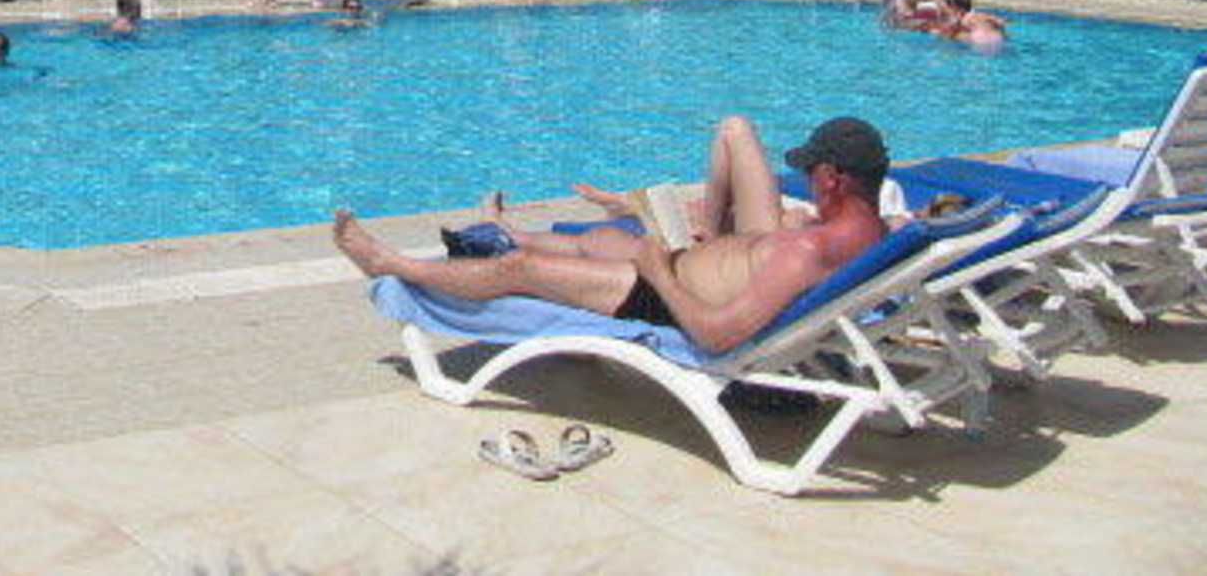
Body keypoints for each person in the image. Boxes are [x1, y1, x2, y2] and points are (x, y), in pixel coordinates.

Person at [332, 116, 892, 354]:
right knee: (603, 240)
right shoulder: (875, 230)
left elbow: (717, 337)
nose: (808, 182)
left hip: (666, 297)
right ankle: (505, 230)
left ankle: (391, 265)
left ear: (831, 178)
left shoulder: (808, 251)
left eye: (812, 174)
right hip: (702, 266)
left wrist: (659, 275)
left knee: (517, 270)